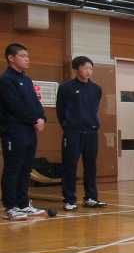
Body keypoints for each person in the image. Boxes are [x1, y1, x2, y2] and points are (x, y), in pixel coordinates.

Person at [0, 43, 47, 219]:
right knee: (14, 168)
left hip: (29, 130)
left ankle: (23, 203)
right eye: (23, 56)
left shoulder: (26, 80)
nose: (27, 59)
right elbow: (15, 106)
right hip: (13, 130)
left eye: (27, 56)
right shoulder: (5, 80)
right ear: (11, 58)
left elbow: (35, 103)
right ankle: (10, 207)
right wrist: (32, 120)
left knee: (26, 168)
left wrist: (42, 117)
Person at [56, 56, 106, 211]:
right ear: (76, 69)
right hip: (72, 132)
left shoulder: (96, 89)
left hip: (91, 131)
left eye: (90, 68)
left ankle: (91, 197)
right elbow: (61, 111)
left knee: (91, 165)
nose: (88, 71)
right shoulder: (66, 88)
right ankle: (69, 199)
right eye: (85, 68)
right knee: (70, 166)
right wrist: (68, 126)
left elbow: (94, 108)